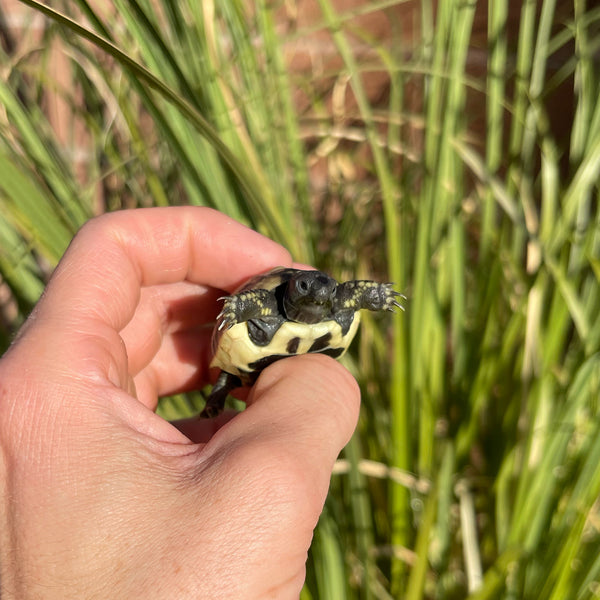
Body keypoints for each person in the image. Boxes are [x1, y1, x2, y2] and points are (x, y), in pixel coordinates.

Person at [0, 207, 360, 599]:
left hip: (295, 345)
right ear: (291, 290)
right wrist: (238, 307)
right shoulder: (267, 300)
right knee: (226, 377)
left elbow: (349, 294)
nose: (315, 293)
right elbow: (249, 305)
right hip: (256, 343)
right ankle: (217, 398)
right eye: (305, 287)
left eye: (323, 290)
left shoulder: (332, 299)